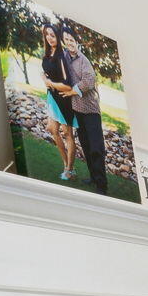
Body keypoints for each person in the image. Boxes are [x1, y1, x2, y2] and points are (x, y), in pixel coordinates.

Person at [60, 30, 109, 195]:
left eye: (71, 39)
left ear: (76, 41)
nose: (69, 42)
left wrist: (71, 92)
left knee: (96, 148)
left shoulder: (83, 60)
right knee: (86, 145)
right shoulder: (64, 57)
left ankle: (102, 185)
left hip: (91, 109)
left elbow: (89, 81)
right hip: (77, 110)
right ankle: (93, 178)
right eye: (66, 39)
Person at [37, 24, 79, 181]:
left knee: (68, 134)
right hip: (52, 97)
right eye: (47, 34)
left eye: (52, 35)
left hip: (63, 99)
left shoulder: (61, 56)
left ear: (57, 37)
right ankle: (67, 164)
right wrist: (45, 78)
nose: (49, 37)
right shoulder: (47, 55)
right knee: (52, 129)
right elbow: (48, 74)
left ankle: (69, 169)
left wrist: (49, 82)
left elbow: (67, 84)